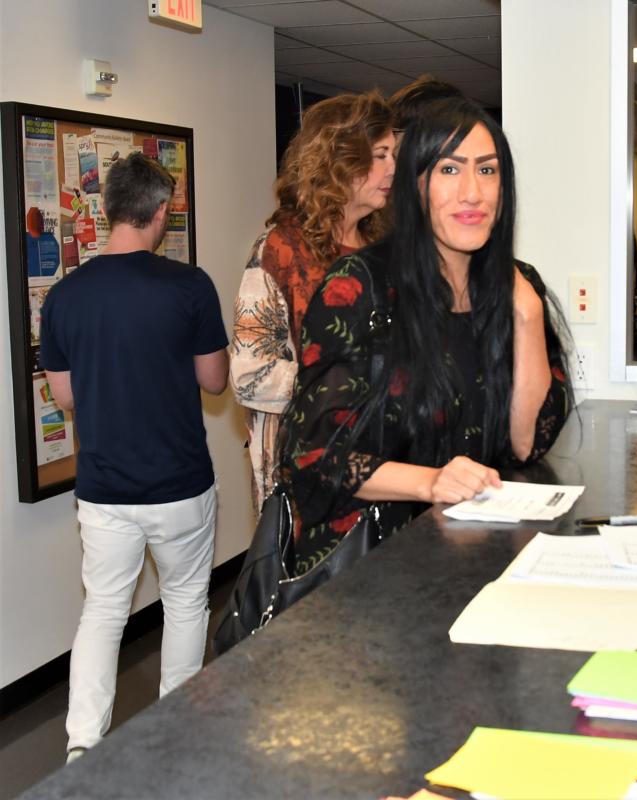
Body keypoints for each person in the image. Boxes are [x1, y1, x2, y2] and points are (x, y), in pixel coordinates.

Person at [276, 96, 574, 576]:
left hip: (476, 556)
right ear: (414, 185)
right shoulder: (362, 285)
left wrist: (527, 313)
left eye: (487, 170)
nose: (472, 193)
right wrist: (432, 482)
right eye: (449, 170)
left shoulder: (520, 288)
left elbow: (526, 445)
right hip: (369, 568)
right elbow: (312, 456)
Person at [39, 154, 228, 763]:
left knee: (102, 613)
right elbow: (216, 381)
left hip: (103, 489)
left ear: (108, 208)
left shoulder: (64, 296)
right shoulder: (189, 286)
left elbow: (65, 396)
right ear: (160, 213)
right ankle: (177, 733)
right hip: (179, 485)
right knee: (185, 603)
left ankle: (82, 746)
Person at [229, 91, 395, 513]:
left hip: (386, 463)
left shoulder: (383, 246)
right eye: (380, 155)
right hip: (307, 472)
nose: (392, 168)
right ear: (340, 161)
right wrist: (353, 384)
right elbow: (250, 374)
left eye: (393, 154)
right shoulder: (281, 249)